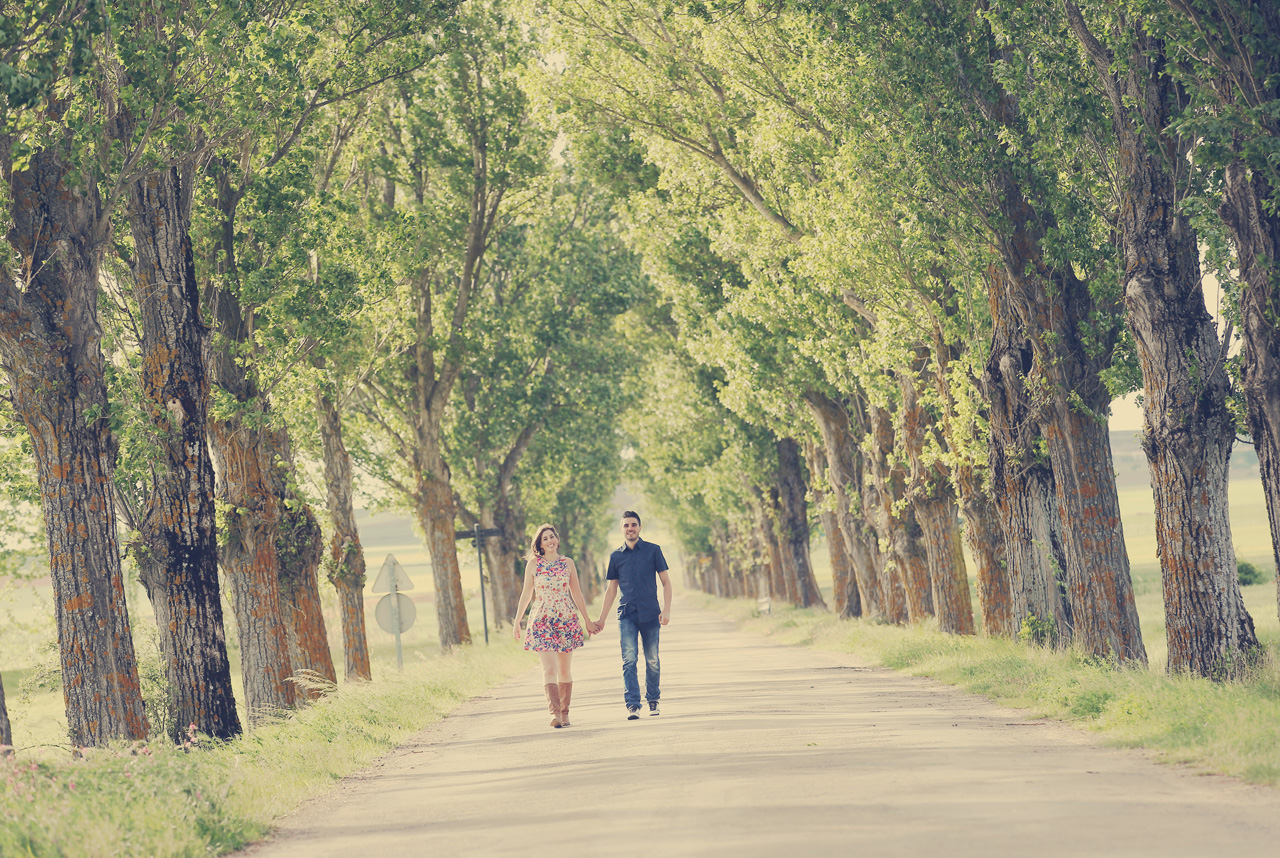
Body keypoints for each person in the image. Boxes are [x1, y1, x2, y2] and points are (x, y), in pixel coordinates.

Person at [513, 523, 594, 728]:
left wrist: (587, 620)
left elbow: (576, 593)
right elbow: (526, 595)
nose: (550, 541)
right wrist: (517, 622)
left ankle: (565, 713)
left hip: (565, 619)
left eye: (552, 537)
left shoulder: (568, 563)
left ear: (557, 540)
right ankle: (555, 714)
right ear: (540, 544)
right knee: (549, 668)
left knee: (564, 669)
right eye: (545, 539)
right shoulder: (533, 564)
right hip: (541, 619)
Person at [594, 510, 672, 720]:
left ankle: (653, 700)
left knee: (652, 660)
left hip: (651, 614)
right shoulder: (615, 557)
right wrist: (601, 619)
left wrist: (666, 610)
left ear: (639, 527)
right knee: (629, 660)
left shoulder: (653, 551)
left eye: (633, 525)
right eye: (626, 525)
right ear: (622, 529)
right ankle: (633, 705)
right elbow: (611, 590)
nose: (630, 528)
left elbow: (666, 582)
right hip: (627, 614)